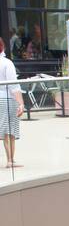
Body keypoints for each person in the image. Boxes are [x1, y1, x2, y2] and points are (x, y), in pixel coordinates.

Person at [0, 37, 24, 169]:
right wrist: (21, 103)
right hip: (7, 99)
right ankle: (10, 160)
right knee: (10, 131)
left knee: (4, 130)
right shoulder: (7, 63)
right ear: (2, 47)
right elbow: (13, 85)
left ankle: (10, 159)